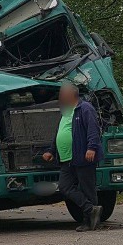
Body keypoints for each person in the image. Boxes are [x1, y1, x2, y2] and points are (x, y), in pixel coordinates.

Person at [43, 82, 104, 231]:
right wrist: (51, 150)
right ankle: (90, 209)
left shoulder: (85, 108)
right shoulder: (66, 111)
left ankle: (89, 222)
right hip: (66, 159)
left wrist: (91, 148)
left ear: (71, 94)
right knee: (64, 186)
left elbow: (93, 129)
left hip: (82, 156)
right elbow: (59, 132)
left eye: (62, 93)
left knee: (87, 189)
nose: (60, 96)